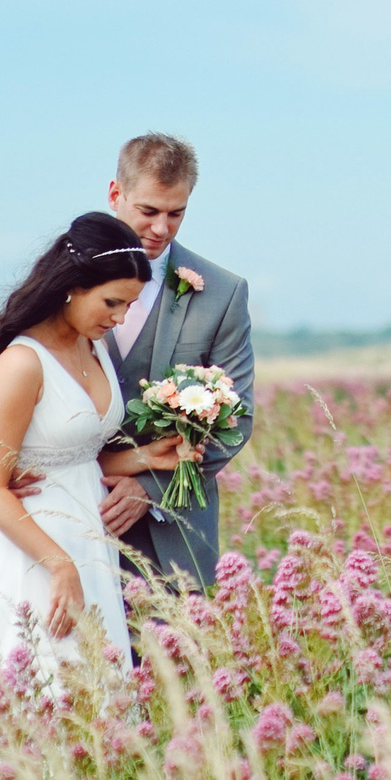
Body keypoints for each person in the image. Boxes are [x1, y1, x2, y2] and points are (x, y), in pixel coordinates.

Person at [0, 212, 181, 701]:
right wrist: (60, 566)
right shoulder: (22, 363)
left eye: (129, 305)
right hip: (34, 546)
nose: (120, 318)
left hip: (90, 544)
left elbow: (73, 457)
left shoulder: (93, 346)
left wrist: (148, 457)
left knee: (91, 692)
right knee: (30, 683)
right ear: (72, 286)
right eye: (112, 302)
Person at [93, 132, 255, 590]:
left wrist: (150, 489)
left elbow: (237, 420)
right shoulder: (60, 284)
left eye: (176, 213)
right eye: (148, 211)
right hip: (74, 522)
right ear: (115, 194)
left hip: (176, 535)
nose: (161, 228)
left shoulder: (224, 294)